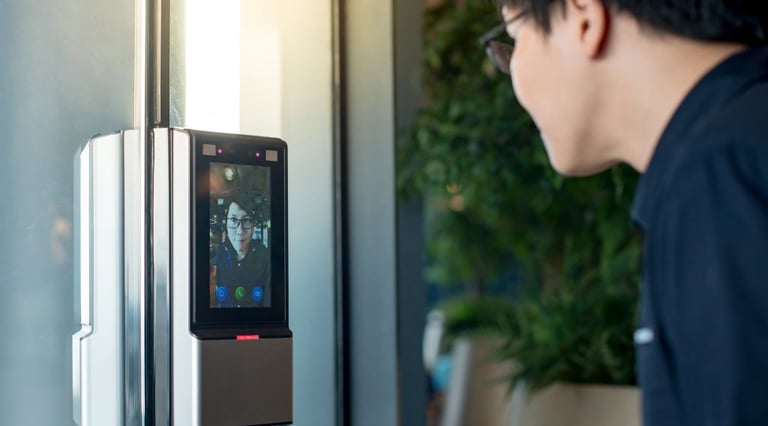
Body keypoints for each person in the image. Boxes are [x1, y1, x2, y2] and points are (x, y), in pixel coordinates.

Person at [483, 0, 768, 424]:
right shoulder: (739, 137)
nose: (512, 74)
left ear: (582, 16)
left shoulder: (717, 175)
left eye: (514, 37)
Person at [213, 198, 271, 308]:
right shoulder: (220, 252)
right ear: (226, 223)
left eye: (247, 220)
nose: (240, 231)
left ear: (253, 225)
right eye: (234, 220)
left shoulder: (265, 257)